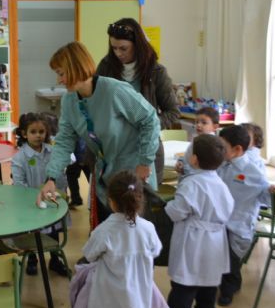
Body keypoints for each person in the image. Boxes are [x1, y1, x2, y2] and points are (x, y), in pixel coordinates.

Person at [39, 41, 160, 226]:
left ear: (76, 68)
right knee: (107, 234)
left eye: (61, 73)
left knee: (134, 237)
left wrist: (144, 161)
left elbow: (150, 119)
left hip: (133, 175)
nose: (59, 80)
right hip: (106, 179)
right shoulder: (69, 101)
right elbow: (64, 141)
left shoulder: (115, 91)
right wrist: (51, 178)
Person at [83, 171, 161, 308]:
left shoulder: (104, 230)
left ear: (111, 201)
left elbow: (90, 254)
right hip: (137, 292)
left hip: (109, 295)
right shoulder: (148, 228)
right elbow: (156, 250)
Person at [160, 134, 234, 308]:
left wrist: (168, 206)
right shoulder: (220, 183)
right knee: (209, 281)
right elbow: (228, 210)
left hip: (194, 238)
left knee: (185, 283)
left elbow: (178, 211)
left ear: (193, 159)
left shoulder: (191, 184)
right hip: (216, 239)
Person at [97, 18, 180, 184]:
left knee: (143, 204)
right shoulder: (106, 68)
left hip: (146, 150)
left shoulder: (156, 72)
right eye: (114, 48)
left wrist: (148, 126)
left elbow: (173, 112)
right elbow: (97, 105)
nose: (118, 53)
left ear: (137, 45)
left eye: (123, 48)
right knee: (113, 202)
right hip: (114, 150)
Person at [216, 125, 275, 306]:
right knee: (219, 255)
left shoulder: (252, 170)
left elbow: (265, 197)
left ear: (237, 150)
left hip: (238, 222)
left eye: (222, 148)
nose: (219, 151)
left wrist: (271, 191)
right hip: (219, 220)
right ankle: (221, 281)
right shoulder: (222, 165)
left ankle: (230, 288)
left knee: (232, 261)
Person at [12, 113, 70, 277]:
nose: (38, 135)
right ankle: (32, 259)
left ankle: (55, 259)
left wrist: (60, 192)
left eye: (41, 132)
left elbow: (61, 174)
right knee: (31, 231)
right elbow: (18, 184)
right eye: (33, 132)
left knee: (53, 230)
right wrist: (33, 196)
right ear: (24, 134)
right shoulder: (19, 158)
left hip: (52, 201)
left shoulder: (52, 152)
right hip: (30, 203)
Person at [175, 107, 220, 179]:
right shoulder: (197, 139)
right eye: (196, 122)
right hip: (188, 175)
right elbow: (188, 155)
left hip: (197, 179)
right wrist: (181, 161)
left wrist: (184, 169)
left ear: (215, 127)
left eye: (204, 123)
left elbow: (201, 168)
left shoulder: (211, 145)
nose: (198, 125)